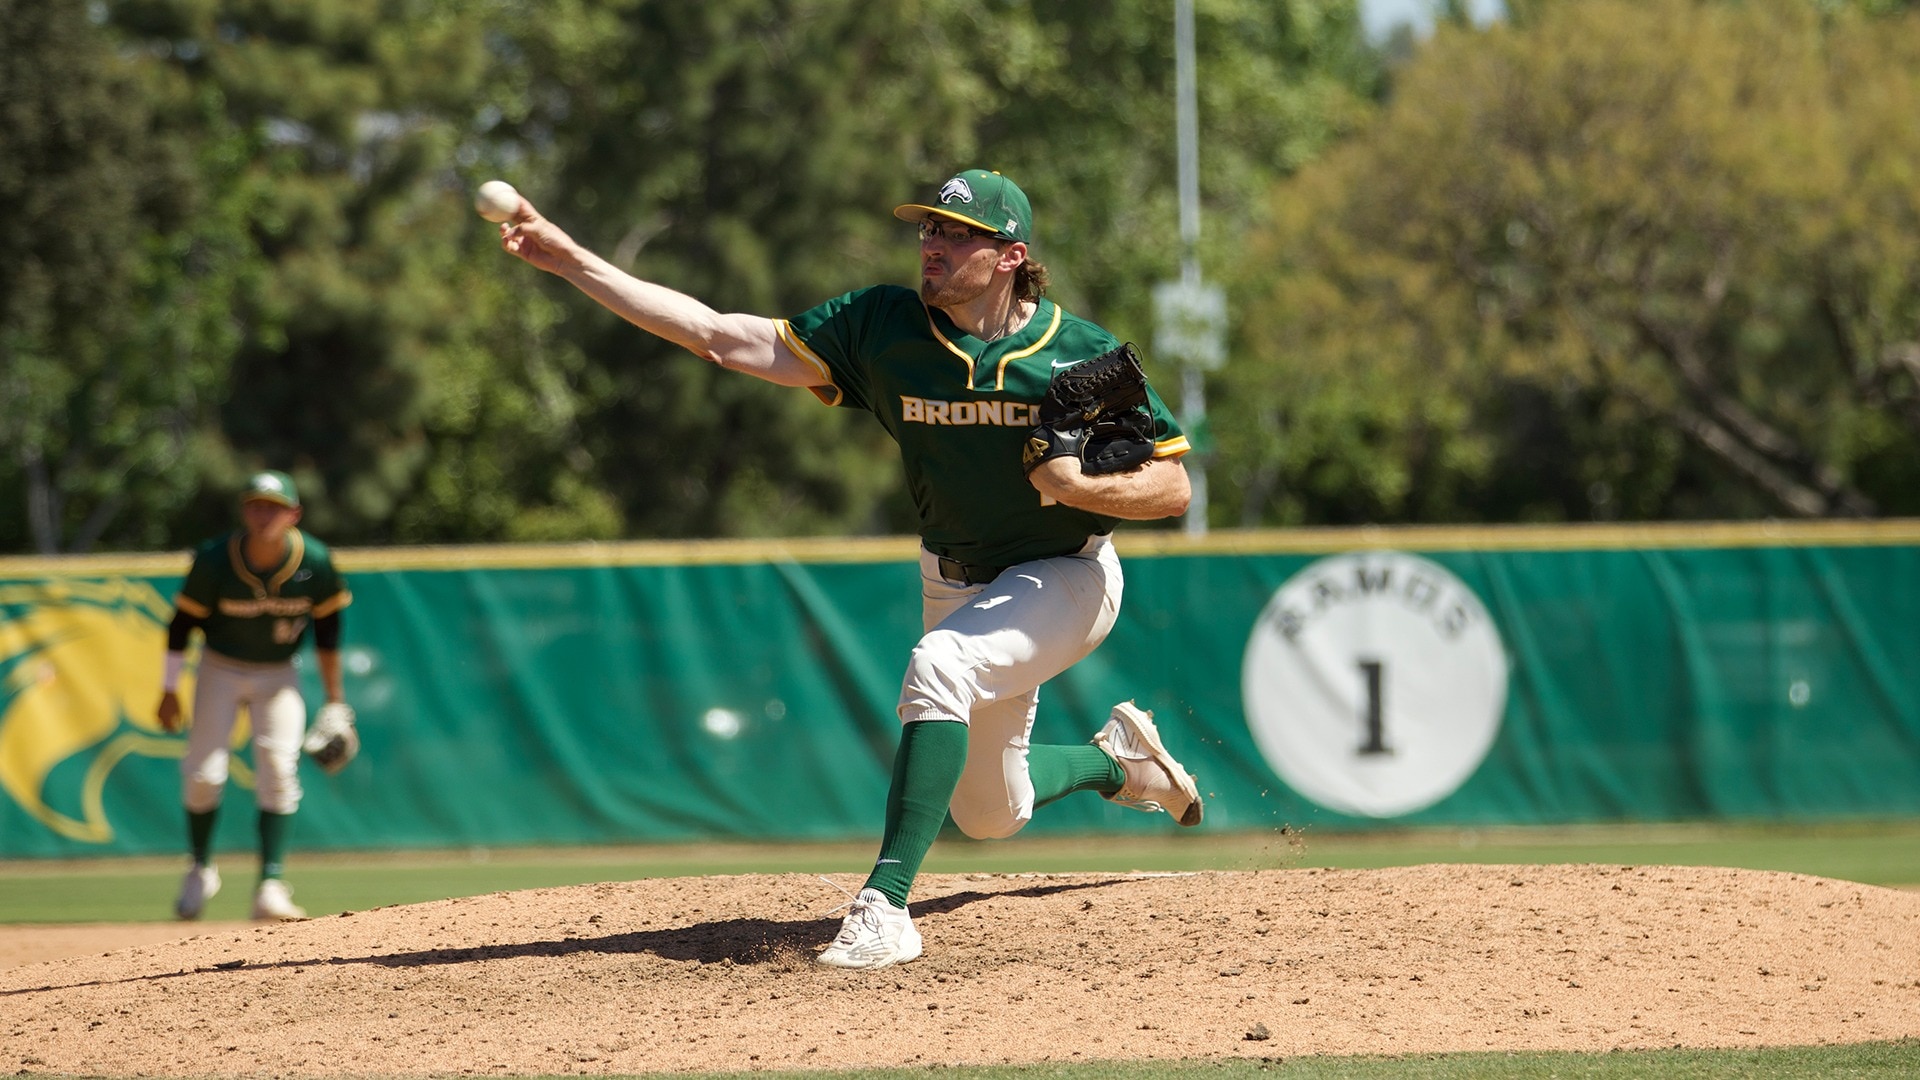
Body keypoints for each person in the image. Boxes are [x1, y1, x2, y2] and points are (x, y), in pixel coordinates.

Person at [497, 167, 1203, 968]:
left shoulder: (1078, 355)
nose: (932, 245)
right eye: (928, 228)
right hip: (954, 581)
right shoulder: (882, 327)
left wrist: (1080, 486)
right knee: (989, 813)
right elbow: (719, 336)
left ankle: (884, 906)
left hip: (1066, 576)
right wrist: (571, 261)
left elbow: (1174, 486)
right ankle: (1120, 761)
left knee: (940, 666)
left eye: (956, 234)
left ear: (1011, 255)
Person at [156, 470, 352, 921]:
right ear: (244, 511)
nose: (264, 515)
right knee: (203, 774)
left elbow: (328, 634)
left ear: (294, 514)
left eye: (274, 507)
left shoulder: (315, 560)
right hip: (220, 668)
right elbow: (181, 626)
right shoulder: (215, 559)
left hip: (278, 674)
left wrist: (335, 700)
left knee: (279, 766)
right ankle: (200, 868)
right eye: (256, 505)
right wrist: (168, 689)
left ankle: (270, 885)